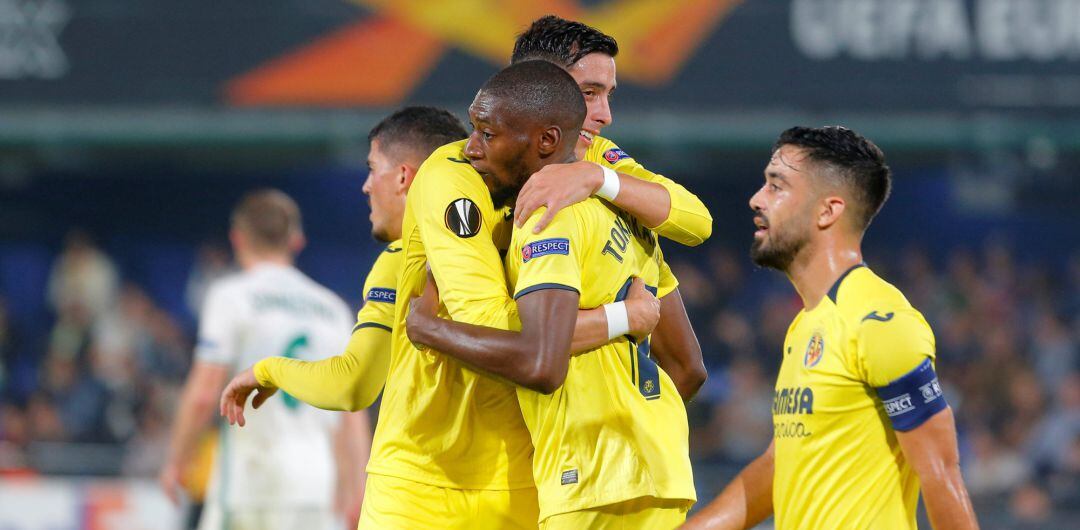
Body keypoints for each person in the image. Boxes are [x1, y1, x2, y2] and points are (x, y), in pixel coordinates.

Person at [224, 64, 663, 529]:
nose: (366, 185)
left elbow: (351, 383)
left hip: (414, 489)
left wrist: (266, 370)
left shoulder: (400, 261)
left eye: (373, 169)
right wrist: (624, 317)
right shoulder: (532, 230)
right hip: (518, 492)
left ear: (405, 178)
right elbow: (542, 342)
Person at [405, 59, 696, 528]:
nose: (470, 149)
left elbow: (541, 361)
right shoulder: (620, 208)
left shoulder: (546, 214)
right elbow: (690, 369)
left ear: (545, 140)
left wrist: (428, 329)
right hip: (659, 474)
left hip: (590, 478)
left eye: (487, 134)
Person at [682, 127, 979, 529]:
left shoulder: (880, 321)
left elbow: (941, 475)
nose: (756, 198)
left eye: (776, 185)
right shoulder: (806, 324)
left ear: (828, 211)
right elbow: (777, 465)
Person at [510, 15, 709, 398]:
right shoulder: (466, 179)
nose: (605, 114)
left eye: (608, 94)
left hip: (587, 446)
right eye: (589, 93)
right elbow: (498, 327)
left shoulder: (600, 159)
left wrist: (598, 178)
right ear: (537, 90)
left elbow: (698, 221)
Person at [161, 190, 368, 530]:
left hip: (249, 482)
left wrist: (176, 461)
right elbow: (351, 411)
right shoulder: (332, 309)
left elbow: (203, 394)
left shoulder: (231, 297)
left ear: (237, 238)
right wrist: (356, 489)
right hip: (314, 485)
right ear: (297, 240)